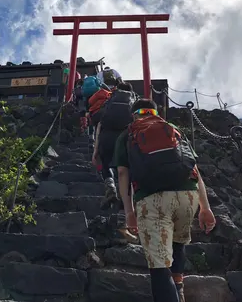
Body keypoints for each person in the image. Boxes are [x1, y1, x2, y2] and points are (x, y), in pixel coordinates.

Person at [113, 98, 216, 302]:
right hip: (188, 196)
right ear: (155, 112)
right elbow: (194, 169)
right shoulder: (172, 130)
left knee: (159, 265)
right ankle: (179, 292)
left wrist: (129, 212)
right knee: (178, 244)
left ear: (134, 115)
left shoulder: (128, 133)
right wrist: (205, 207)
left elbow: (123, 174)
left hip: (151, 200)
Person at [92, 82, 136, 210]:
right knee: (125, 168)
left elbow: (99, 123)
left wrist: (96, 149)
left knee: (106, 164)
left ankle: (110, 188)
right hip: (125, 137)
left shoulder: (110, 100)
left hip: (106, 137)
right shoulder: (134, 100)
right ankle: (126, 200)